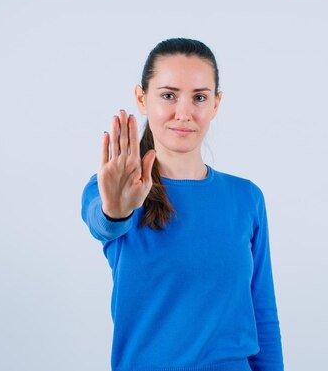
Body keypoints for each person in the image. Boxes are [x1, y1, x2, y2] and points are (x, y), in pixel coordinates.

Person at [80, 38, 284, 371]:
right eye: (168, 95)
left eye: (199, 97)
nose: (184, 113)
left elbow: (263, 313)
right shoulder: (115, 189)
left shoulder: (246, 198)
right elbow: (101, 220)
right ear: (141, 98)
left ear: (216, 104)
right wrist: (116, 211)